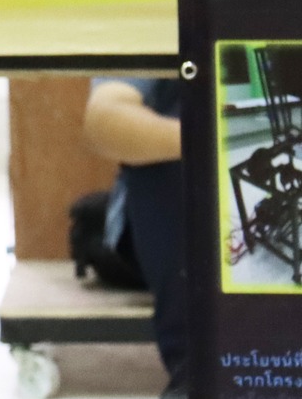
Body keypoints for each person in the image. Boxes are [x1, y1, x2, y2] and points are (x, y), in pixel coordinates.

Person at [84, 77, 186, 399]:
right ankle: (195, 374)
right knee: (168, 145)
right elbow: (104, 119)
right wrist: (223, 141)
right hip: (171, 220)